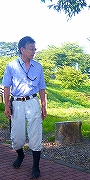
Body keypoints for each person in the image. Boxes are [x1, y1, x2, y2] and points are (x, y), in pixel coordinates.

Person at [2, 36, 46, 179]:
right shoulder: (11, 66)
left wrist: (44, 105)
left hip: (33, 101)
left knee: (35, 134)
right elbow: (6, 86)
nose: (34, 51)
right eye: (31, 48)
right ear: (22, 49)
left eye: (35, 48)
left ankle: (35, 166)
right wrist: (6, 105)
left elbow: (42, 88)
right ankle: (20, 155)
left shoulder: (38, 66)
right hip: (17, 103)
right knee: (17, 136)